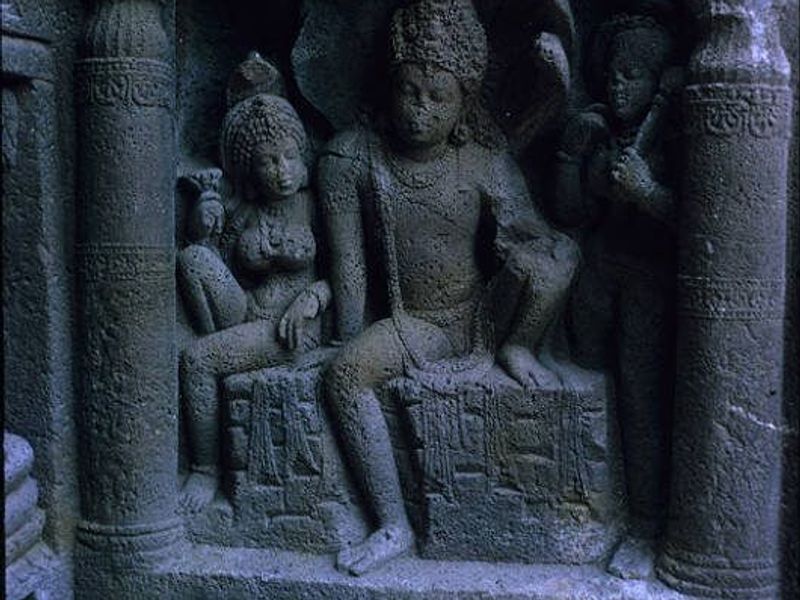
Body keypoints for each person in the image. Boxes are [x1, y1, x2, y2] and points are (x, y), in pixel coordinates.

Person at [318, 0, 578, 576]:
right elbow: (350, 266)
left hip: (479, 313)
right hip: (419, 324)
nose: (420, 109)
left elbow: (529, 232)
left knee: (562, 255)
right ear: (390, 87)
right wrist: (343, 331)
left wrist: (521, 253)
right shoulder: (353, 156)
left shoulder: (483, 160)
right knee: (343, 374)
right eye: (409, 91)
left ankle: (518, 348)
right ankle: (393, 523)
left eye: (439, 98)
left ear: (465, 103)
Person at [553, 14, 678, 578]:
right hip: (598, 275)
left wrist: (649, 193)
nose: (617, 87)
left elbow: (709, 225)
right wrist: (572, 158)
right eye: (611, 75)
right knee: (580, 376)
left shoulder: (675, 136)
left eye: (632, 76)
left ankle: (647, 524)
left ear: (657, 81)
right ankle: (587, 509)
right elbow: (572, 213)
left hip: (648, 283)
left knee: (638, 401)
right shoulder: (609, 132)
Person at [178, 86, 330, 513]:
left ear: (303, 157)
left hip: (290, 330)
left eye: (289, 157)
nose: (282, 171)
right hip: (244, 314)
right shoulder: (246, 211)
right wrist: (202, 225)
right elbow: (216, 264)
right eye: (267, 161)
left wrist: (314, 297)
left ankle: (205, 469)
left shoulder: (315, 206)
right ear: (249, 169)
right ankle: (220, 353)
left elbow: (346, 272)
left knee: (197, 361)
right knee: (192, 259)